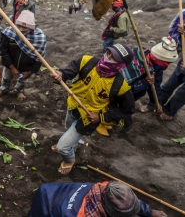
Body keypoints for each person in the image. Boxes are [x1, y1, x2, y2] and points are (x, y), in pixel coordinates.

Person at [50, 43, 135, 174]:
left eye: (113, 58)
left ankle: (69, 159)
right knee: (68, 127)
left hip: (89, 119)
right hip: (72, 105)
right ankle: (72, 145)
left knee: (62, 147)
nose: (107, 57)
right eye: (108, 53)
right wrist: (60, 75)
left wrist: (101, 117)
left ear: (121, 65)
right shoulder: (87, 61)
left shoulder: (120, 86)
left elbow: (127, 110)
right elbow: (69, 71)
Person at [30, 180, 167, 217]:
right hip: (45, 204)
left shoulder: (108, 188)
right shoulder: (75, 215)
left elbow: (128, 201)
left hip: (58, 190)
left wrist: (149, 212)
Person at [0, 11, 45, 101]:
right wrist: (12, 67)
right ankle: (4, 89)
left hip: (26, 66)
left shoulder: (39, 39)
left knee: (23, 80)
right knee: (6, 77)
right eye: (19, 26)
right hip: (10, 63)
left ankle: (19, 90)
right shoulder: (10, 34)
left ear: (31, 28)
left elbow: (39, 58)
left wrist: (30, 71)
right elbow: (4, 51)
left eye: (24, 27)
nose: (21, 29)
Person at [121, 37, 179, 113]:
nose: (167, 65)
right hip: (119, 95)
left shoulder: (157, 67)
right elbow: (121, 88)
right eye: (167, 62)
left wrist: (156, 102)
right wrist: (144, 83)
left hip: (133, 95)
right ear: (157, 58)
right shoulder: (132, 61)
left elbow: (155, 85)